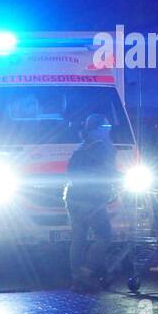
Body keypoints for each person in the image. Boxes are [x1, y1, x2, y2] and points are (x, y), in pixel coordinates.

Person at [63, 113, 118, 292]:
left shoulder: (81, 146)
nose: (109, 132)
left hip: (73, 197)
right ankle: (87, 270)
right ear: (98, 129)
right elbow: (108, 173)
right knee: (104, 236)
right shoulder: (102, 147)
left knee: (78, 238)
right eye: (106, 128)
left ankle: (77, 277)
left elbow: (71, 172)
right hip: (91, 199)